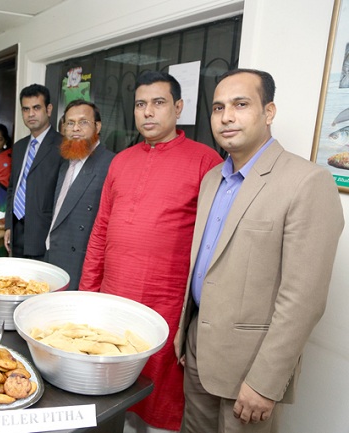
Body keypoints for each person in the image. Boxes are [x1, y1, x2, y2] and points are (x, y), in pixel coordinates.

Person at [174, 69, 344, 432]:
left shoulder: (307, 182)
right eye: (218, 107)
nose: (226, 117)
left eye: (240, 104)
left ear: (269, 112)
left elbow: (304, 299)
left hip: (250, 367)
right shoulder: (212, 179)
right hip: (199, 350)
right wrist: (188, 338)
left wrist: (265, 382)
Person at [79, 71, 223, 432]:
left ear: (178, 107)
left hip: (167, 305)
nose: (147, 112)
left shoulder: (206, 162)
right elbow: (100, 230)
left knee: (159, 400)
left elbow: (215, 247)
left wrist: (196, 319)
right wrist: (87, 293)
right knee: (107, 392)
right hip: (113, 299)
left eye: (158, 103)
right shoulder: (121, 161)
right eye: (140, 104)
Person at [44, 100, 114, 290]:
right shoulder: (67, 161)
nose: (75, 128)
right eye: (70, 123)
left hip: (81, 264)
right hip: (54, 254)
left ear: (97, 126)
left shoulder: (110, 164)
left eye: (83, 122)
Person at [4, 84, 63, 259]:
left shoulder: (62, 147)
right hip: (16, 230)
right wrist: (8, 225)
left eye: (36, 108)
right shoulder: (19, 147)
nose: (30, 114)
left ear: (49, 109)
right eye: (26, 109)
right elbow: (12, 188)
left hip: (43, 234)